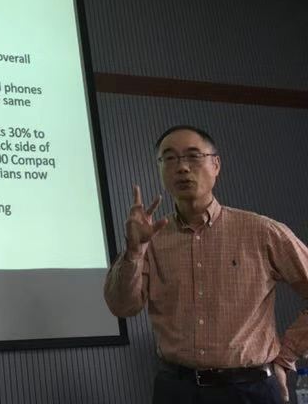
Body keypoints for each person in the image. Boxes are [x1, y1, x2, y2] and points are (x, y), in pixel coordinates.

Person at [104, 125, 308, 404]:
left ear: (216, 165)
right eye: (170, 158)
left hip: (250, 389)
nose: (182, 167)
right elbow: (122, 307)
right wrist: (133, 251)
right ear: (160, 169)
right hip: (176, 389)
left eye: (193, 156)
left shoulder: (262, 231)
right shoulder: (151, 239)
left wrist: (285, 357)